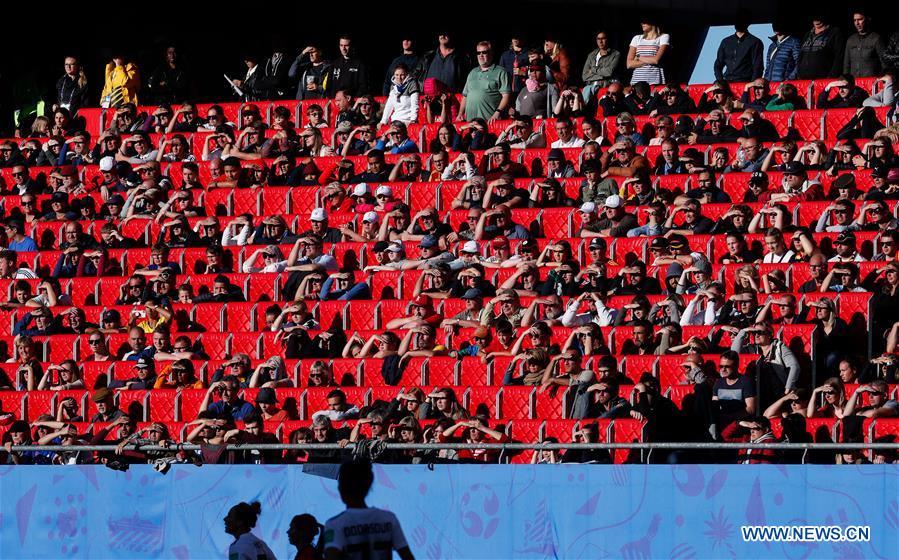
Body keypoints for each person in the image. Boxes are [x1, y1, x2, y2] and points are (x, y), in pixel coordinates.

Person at [322, 459, 414, 560]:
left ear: (341, 487)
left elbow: (331, 555)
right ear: (369, 484)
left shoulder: (335, 524)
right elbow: (407, 556)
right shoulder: (388, 519)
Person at [459, 41, 511, 122]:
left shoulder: (500, 72)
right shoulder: (472, 72)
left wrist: (497, 112)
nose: (481, 55)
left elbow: (506, 96)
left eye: (484, 52)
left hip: (489, 122)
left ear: (491, 53)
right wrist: (460, 113)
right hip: (470, 122)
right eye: (478, 53)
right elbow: (465, 96)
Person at [714, 17, 764, 82]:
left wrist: (752, 84)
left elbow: (758, 67)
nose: (738, 22)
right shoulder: (726, 41)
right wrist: (720, 80)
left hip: (745, 82)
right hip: (727, 82)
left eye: (741, 20)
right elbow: (718, 64)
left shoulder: (755, 42)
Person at [627, 19, 670, 85]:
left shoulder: (663, 37)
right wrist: (649, 60)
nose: (642, 23)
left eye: (645, 21)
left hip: (655, 81)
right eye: (642, 22)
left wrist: (638, 57)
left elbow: (656, 60)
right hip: (636, 82)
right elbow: (629, 64)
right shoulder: (636, 38)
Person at [844, 10, 885, 77]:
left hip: (871, 82)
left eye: (860, 19)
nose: (857, 23)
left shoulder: (876, 39)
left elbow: (884, 63)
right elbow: (846, 65)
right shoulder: (850, 40)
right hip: (854, 82)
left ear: (868, 20)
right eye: (855, 20)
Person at [582, 30, 621, 99]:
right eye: (598, 39)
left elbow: (609, 72)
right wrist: (603, 75)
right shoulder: (591, 55)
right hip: (591, 86)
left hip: (606, 85)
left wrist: (593, 70)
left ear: (607, 39)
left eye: (603, 38)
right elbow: (584, 76)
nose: (600, 41)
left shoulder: (615, 54)